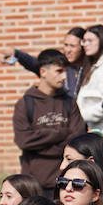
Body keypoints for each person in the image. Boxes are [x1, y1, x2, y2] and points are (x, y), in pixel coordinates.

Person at [13, 49, 87, 195]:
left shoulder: (69, 103)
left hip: (65, 183)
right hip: (34, 184)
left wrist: (41, 141)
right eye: (59, 71)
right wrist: (60, 133)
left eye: (66, 71)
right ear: (43, 72)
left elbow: (77, 140)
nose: (64, 76)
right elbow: (24, 141)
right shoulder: (25, 104)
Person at [12, 27, 86, 98]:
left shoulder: (89, 69)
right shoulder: (59, 65)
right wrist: (16, 53)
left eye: (72, 46)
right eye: (66, 45)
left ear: (83, 47)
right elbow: (33, 62)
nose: (68, 50)